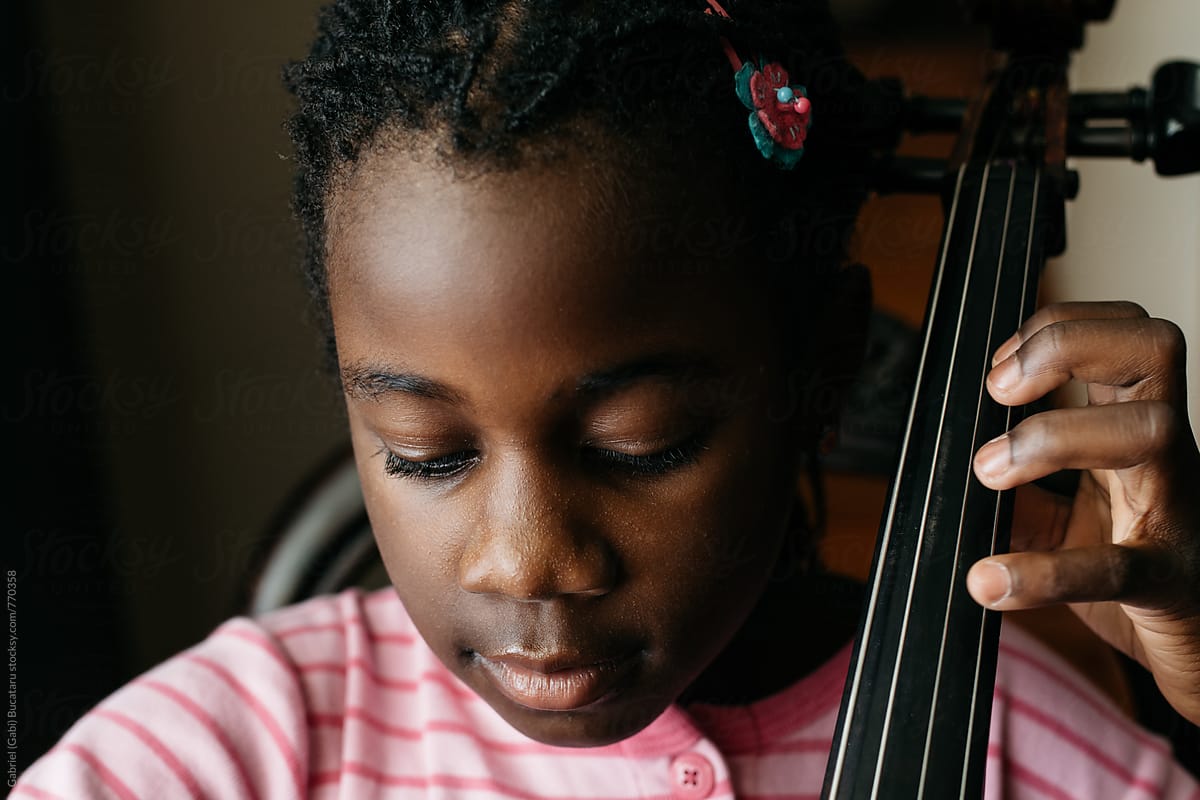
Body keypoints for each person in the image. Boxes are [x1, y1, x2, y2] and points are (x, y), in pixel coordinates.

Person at [13, 0, 1200, 797]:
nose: (528, 561)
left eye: (643, 443)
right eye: (425, 451)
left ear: (823, 368)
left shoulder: (1035, 754)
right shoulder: (226, 752)